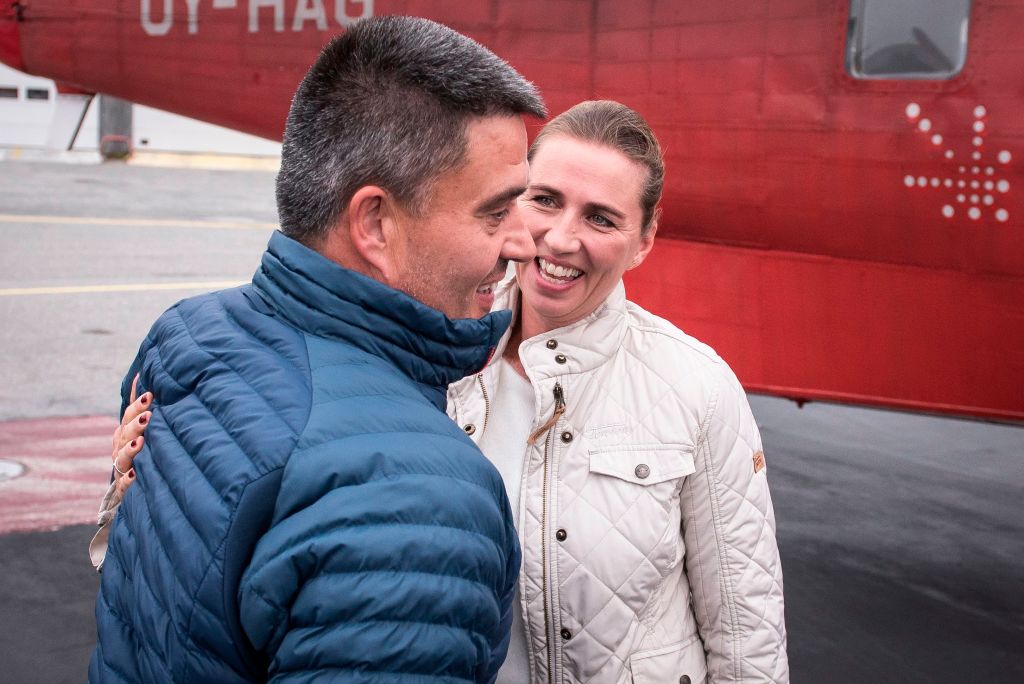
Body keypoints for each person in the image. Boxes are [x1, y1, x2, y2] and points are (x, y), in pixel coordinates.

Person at [102, 101, 789, 682]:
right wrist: (145, 485)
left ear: (644, 238)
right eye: (543, 200)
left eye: (602, 218)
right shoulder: (428, 347)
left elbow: (745, 627)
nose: (560, 236)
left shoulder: (696, 387)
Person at [89, 15, 546, 683]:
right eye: (495, 211)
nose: (524, 242)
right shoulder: (415, 497)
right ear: (375, 224)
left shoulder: (186, 332)